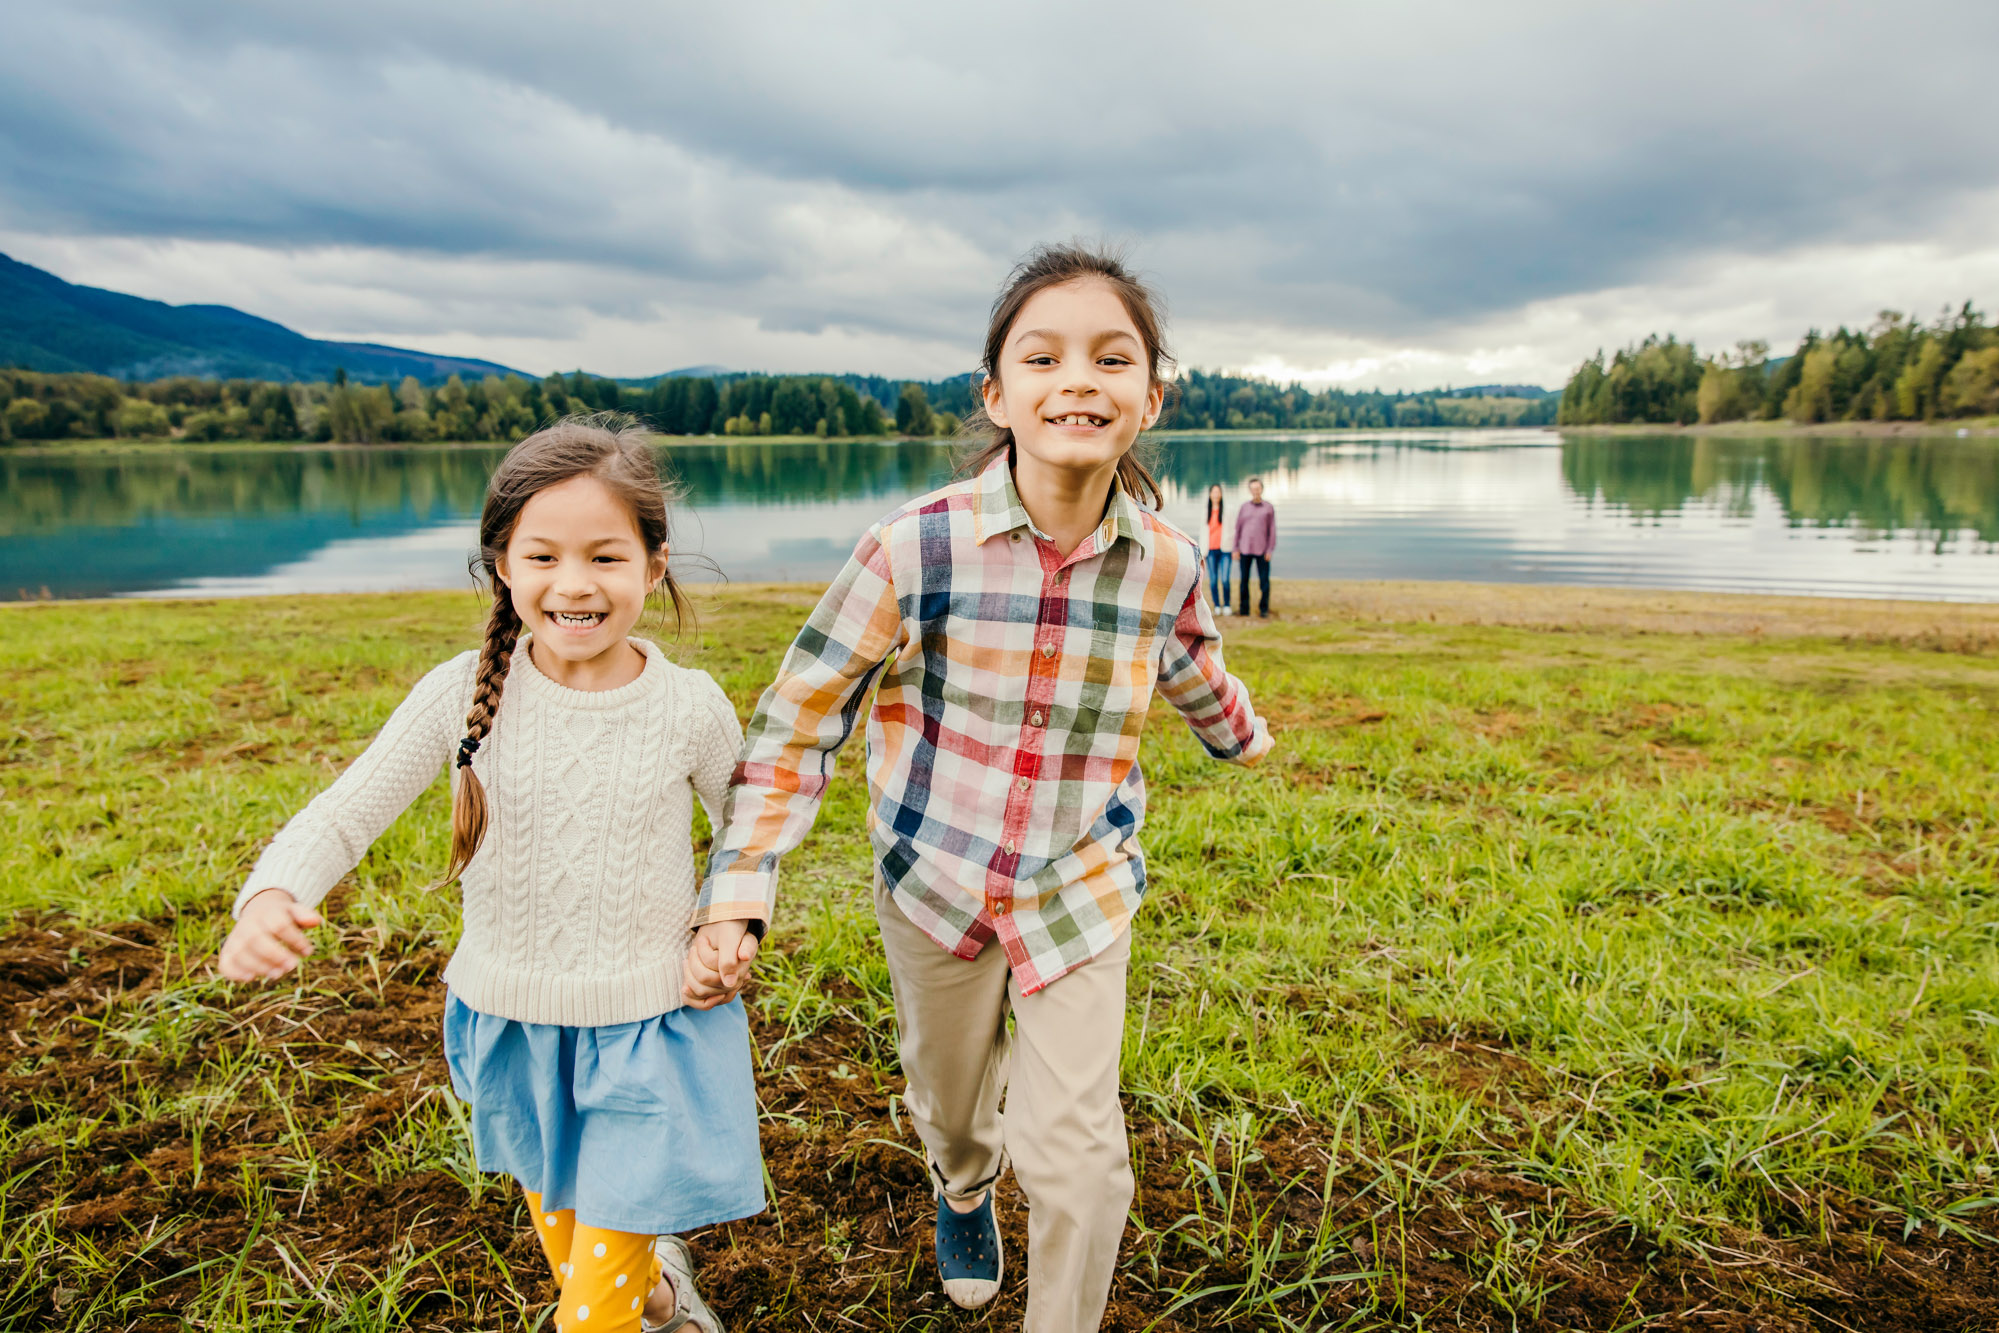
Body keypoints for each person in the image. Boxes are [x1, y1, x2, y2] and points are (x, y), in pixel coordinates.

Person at [686, 244, 1273, 1332]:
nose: (1079, 381)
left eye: (1111, 358)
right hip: (936, 881)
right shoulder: (913, 548)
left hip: (1078, 887)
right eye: (1043, 357)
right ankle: (962, 1186)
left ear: (1152, 396)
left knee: (1082, 1157)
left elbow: (1189, 657)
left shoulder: (1166, 562)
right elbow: (799, 721)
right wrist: (740, 880)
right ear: (998, 392)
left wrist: (1238, 736)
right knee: (948, 1100)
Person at [217, 416, 758, 1333]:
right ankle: (664, 1298)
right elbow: (348, 809)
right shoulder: (459, 692)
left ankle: (635, 1305)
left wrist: (728, 925)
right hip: (512, 1024)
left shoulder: (689, 708)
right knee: (581, 1254)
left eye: (606, 557)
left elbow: (750, 830)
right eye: (541, 554)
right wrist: (272, 891)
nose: (574, 583)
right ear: (502, 564)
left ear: (653, 565)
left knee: (588, 1317)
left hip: (647, 1032)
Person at [1234, 475, 1275, 618]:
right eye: (1253, 489)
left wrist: (1270, 549)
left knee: (1264, 581)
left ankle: (1264, 609)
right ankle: (1244, 609)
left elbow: (1272, 530)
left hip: (1262, 550)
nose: (1255, 491)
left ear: (1262, 489)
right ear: (1250, 491)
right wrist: (1235, 548)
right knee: (1244, 581)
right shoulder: (1244, 507)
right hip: (1245, 549)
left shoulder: (1269, 508)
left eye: (1258, 488)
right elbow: (1237, 529)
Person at [1204, 483, 1231, 613]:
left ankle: (1227, 604)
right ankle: (1217, 605)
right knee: (1213, 580)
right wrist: (1202, 551)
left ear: (1221, 495)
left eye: (1218, 492)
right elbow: (1203, 533)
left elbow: (1233, 530)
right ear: (1210, 495)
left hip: (1225, 550)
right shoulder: (1205, 512)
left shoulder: (1227, 511)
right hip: (1210, 551)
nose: (1216, 494)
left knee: (1225, 579)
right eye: (1213, 492)